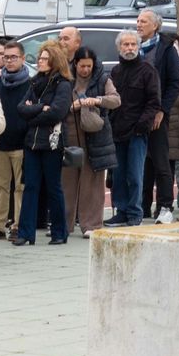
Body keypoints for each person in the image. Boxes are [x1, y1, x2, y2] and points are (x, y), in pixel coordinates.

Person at [12, 41, 72, 246]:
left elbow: (57, 113)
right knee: (30, 186)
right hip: (32, 142)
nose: (40, 62)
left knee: (53, 188)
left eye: (45, 59)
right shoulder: (35, 82)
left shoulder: (63, 84)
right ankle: (25, 233)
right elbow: (21, 108)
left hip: (52, 143)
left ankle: (59, 232)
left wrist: (33, 114)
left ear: (55, 61)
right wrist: (40, 108)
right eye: (40, 58)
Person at [107, 29, 159, 227]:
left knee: (135, 174)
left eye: (133, 44)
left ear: (138, 46)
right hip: (117, 130)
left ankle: (135, 212)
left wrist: (141, 125)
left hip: (137, 132)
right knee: (118, 174)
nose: (129, 48)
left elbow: (154, 102)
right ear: (119, 48)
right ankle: (121, 211)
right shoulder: (115, 72)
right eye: (125, 44)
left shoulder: (148, 71)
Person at [64, 47, 118, 237]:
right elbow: (57, 103)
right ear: (75, 64)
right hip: (70, 135)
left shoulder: (102, 79)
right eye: (82, 66)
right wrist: (72, 106)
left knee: (93, 182)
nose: (86, 70)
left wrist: (97, 100)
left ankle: (91, 224)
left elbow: (116, 100)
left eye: (89, 66)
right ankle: (64, 224)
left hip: (95, 136)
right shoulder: (66, 79)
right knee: (66, 181)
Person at [137, 10, 179, 223]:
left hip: (157, 114)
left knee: (161, 161)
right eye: (137, 20)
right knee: (140, 163)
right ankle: (141, 206)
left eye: (143, 21)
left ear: (155, 26)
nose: (139, 24)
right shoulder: (133, 47)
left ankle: (165, 206)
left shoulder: (166, 49)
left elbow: (174, 83)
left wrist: (162, 110)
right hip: (134, 114)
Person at [0, 42, 30, 240]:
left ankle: (18, 225)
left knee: (20, 187)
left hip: (21, 143)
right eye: (6, 57)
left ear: (23, 59)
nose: (9, 61)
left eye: (13, 57)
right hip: (0, 142)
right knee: (0, 186)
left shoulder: (30, 84)